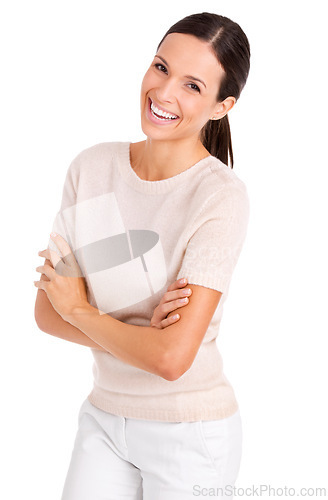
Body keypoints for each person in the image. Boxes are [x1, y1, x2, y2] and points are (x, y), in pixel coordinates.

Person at [34, 11, 251, 500]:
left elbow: (173, 358)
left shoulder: (219, 197)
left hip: (190, 434)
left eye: (193, 86)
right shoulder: (91, 168)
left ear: (222, 107)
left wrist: (81, 308)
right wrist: (139, 338)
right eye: (160, 67)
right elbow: (46, 313)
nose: (165, 92)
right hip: (103, 419)